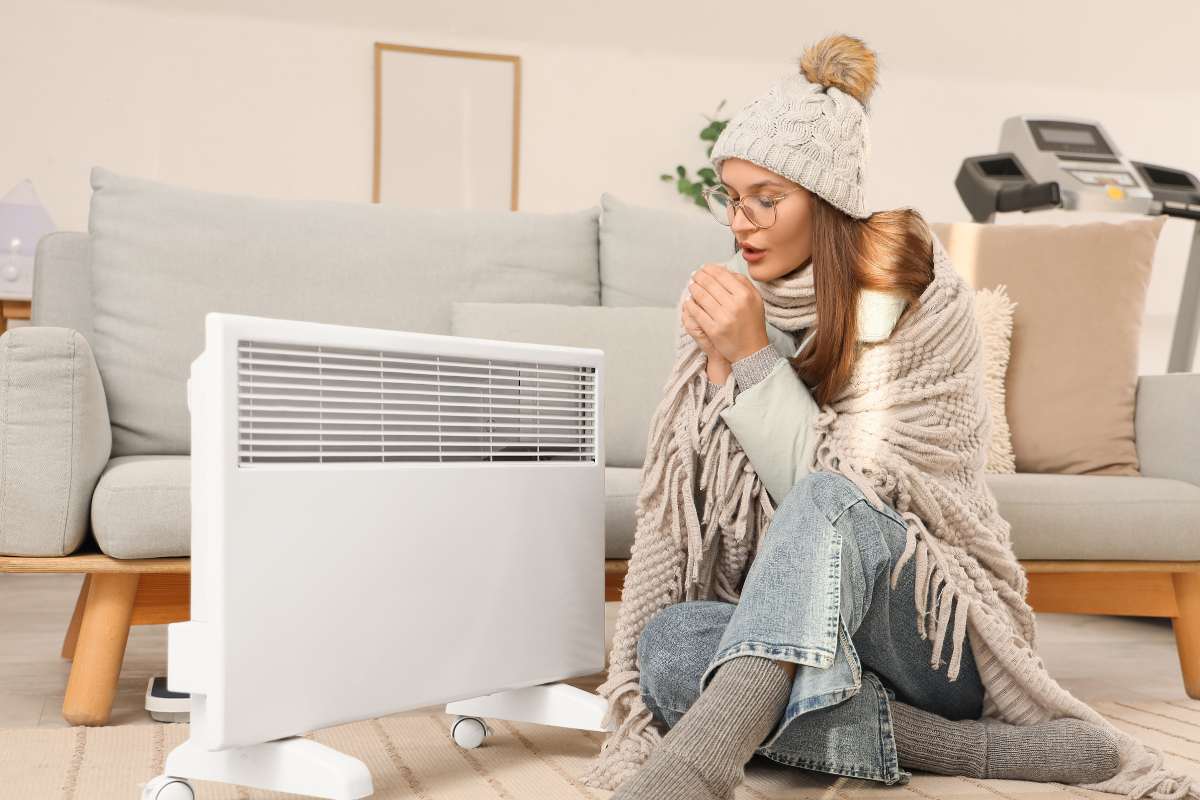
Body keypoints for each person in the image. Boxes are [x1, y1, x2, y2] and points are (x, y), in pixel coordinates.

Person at [584, 34, 1128, 800]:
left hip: (931, 631)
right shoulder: (740, 308)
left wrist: (752, 363)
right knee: (670, 650)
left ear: (828, 201)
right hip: (795, 633)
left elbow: (859, 491)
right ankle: (968, 753)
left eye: (767, 198)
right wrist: (725, 369)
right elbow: (721, 524)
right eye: (732, 197)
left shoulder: (922, 297)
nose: (742, 222)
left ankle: (693, 771)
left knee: (830, 501)